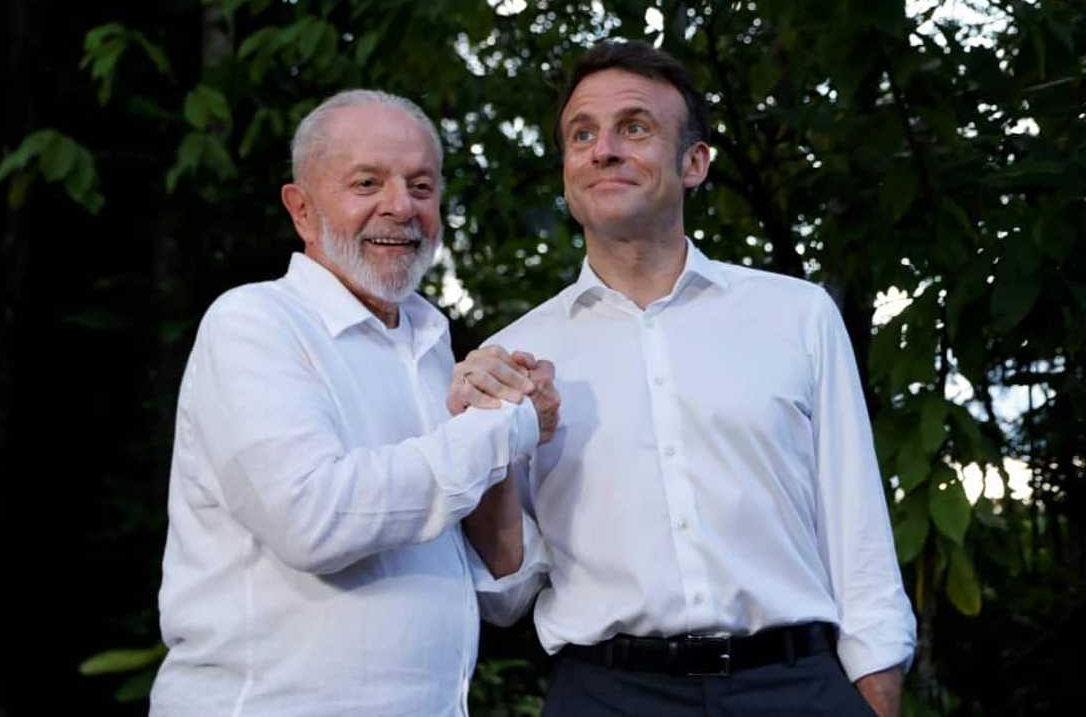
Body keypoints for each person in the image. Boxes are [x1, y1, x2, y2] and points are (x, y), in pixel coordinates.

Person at [449, 41, 916, 716]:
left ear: (694, 162)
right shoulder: (512, 355)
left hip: (795, 686)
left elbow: (858, 531)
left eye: (634, 127)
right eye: (582, 134)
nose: (603, 149)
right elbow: (505, 594)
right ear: (566, 171)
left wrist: (876, 690)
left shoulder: (797, 315)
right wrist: (485, 446)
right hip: (605, 693)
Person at [149, 89, 558, 717]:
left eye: (422, 187)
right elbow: (314, 521)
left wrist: (497, 422)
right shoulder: (254, 323)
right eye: (367, 182)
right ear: (302, 210)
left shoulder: (434, 346)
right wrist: (505, 428)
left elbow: (503, 594)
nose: (401, 206)